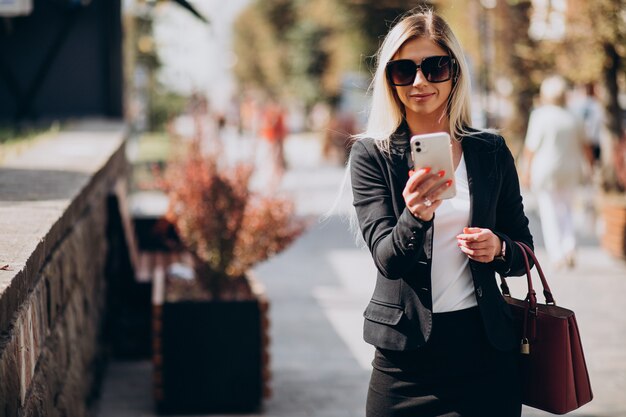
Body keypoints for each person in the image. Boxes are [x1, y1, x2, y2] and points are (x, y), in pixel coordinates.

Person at [348, 9, 534, 417]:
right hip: (405, 365)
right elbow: (388, 260)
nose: (420, 82)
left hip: (486, 353)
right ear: (388, 79)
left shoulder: (490, 151)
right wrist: (415, 215)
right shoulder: (371, 156)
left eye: (435, 67)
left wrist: (499, 247)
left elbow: (524, 249)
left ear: (454, 72)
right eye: (404, 70)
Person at [522, 75, 587, 269]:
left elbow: (530, 148)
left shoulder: (540, 115)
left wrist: (525, 170)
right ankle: (570, 247)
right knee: (567, 209)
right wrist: (590, 167)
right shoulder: (574, 116)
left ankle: (557, 254)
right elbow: (586, 145)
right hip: (570, 169)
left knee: (549, 211)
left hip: (545, 170)